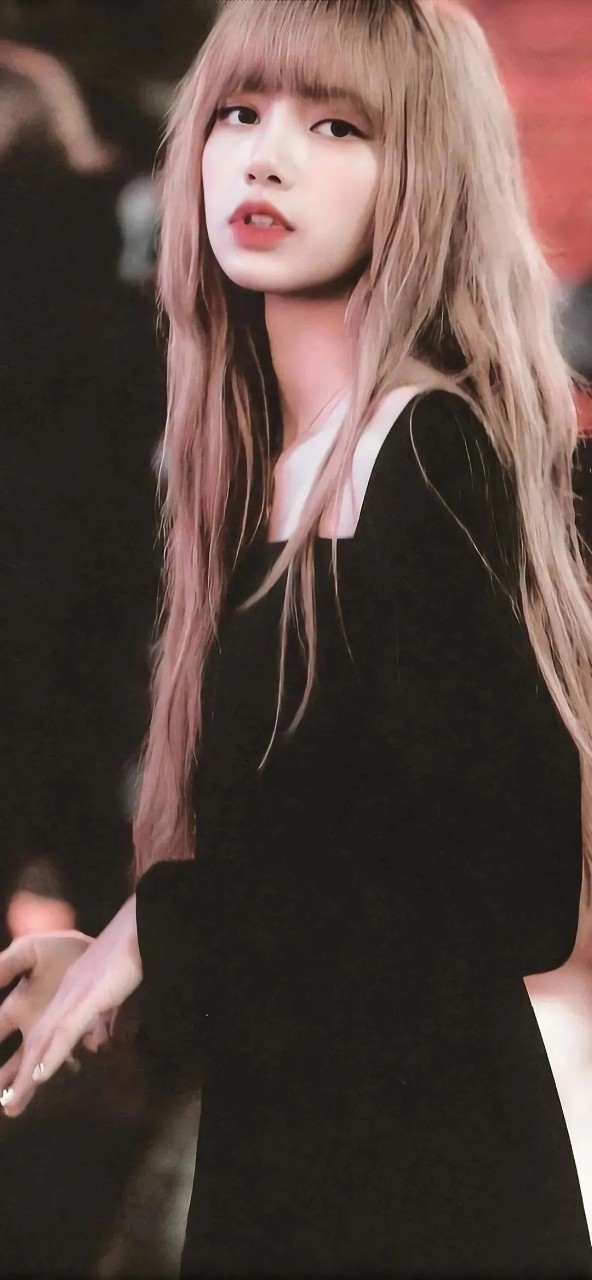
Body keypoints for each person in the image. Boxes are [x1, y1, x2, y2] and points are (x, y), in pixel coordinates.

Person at [1, 0, 592, 1273]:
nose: (265, 157)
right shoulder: (254, 470)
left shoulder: (424, 452)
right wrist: (132, 957)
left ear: (423, 172)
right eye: (238, 113)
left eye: (336, 127)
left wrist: (168, 927)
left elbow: (511, 887)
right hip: (292, 1171)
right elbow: (333, 857)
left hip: (426, 1200)